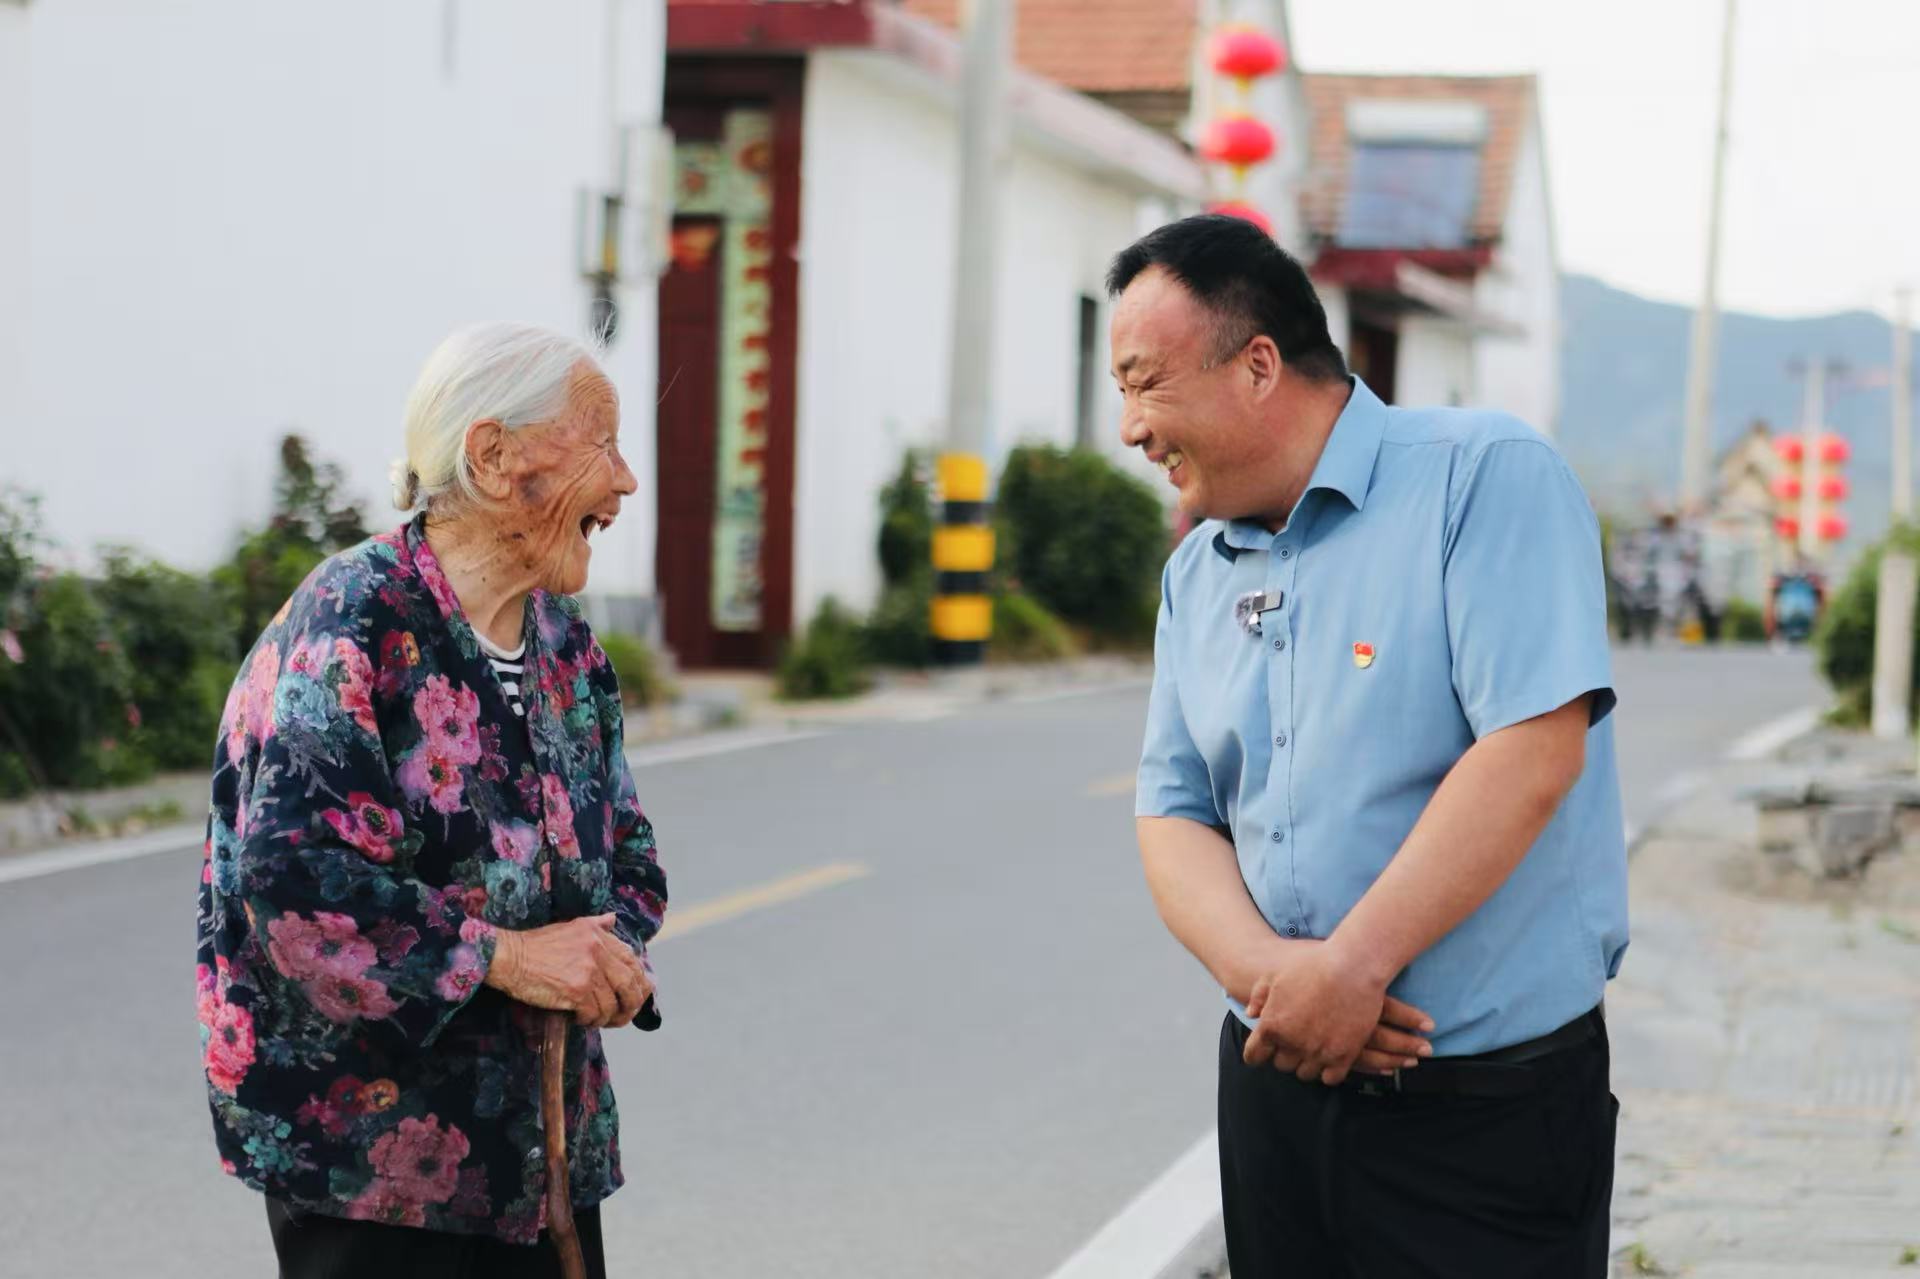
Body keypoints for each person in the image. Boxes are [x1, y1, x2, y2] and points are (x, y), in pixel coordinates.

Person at [1114, 215, 1627, 1277]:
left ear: (1258, 364)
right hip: (1276, 1093)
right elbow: (1173, 808)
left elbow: (1532, 748)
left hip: (1482, 1111)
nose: (1129, 428)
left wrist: (1352, 969)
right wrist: (1278, 982)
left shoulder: (1482, 478)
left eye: (1144, 383)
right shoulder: (1197, 573)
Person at [195, 323, 668, 1278]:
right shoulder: (352, 624)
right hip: (375, 1180)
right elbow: (299, 886)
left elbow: (630, 855)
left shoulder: (567, 649)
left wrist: (604, 955)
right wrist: (507, 957)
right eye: (602, 444)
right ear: (494, 457)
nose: (625, 480)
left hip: (541, 1158)